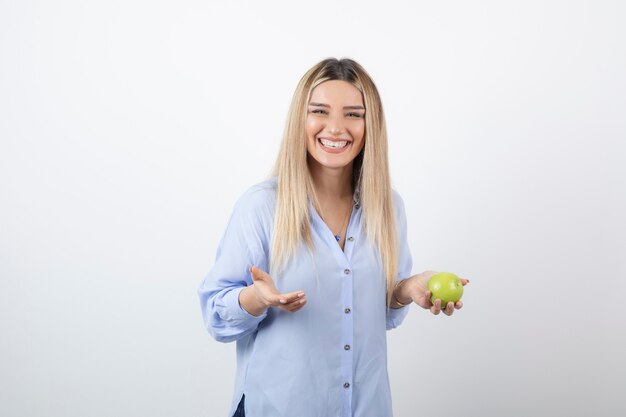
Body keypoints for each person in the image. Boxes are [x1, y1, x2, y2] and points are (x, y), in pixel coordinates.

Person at [197, 57, 469, 417]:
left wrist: (405, 290)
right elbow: (216, 316)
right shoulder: (261, 206)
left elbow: (381, 313)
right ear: (301, 120)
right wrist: (257, 298)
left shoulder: (388, 208)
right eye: (320, 111)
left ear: (370, 125)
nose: (336, 127)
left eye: (353, 114)